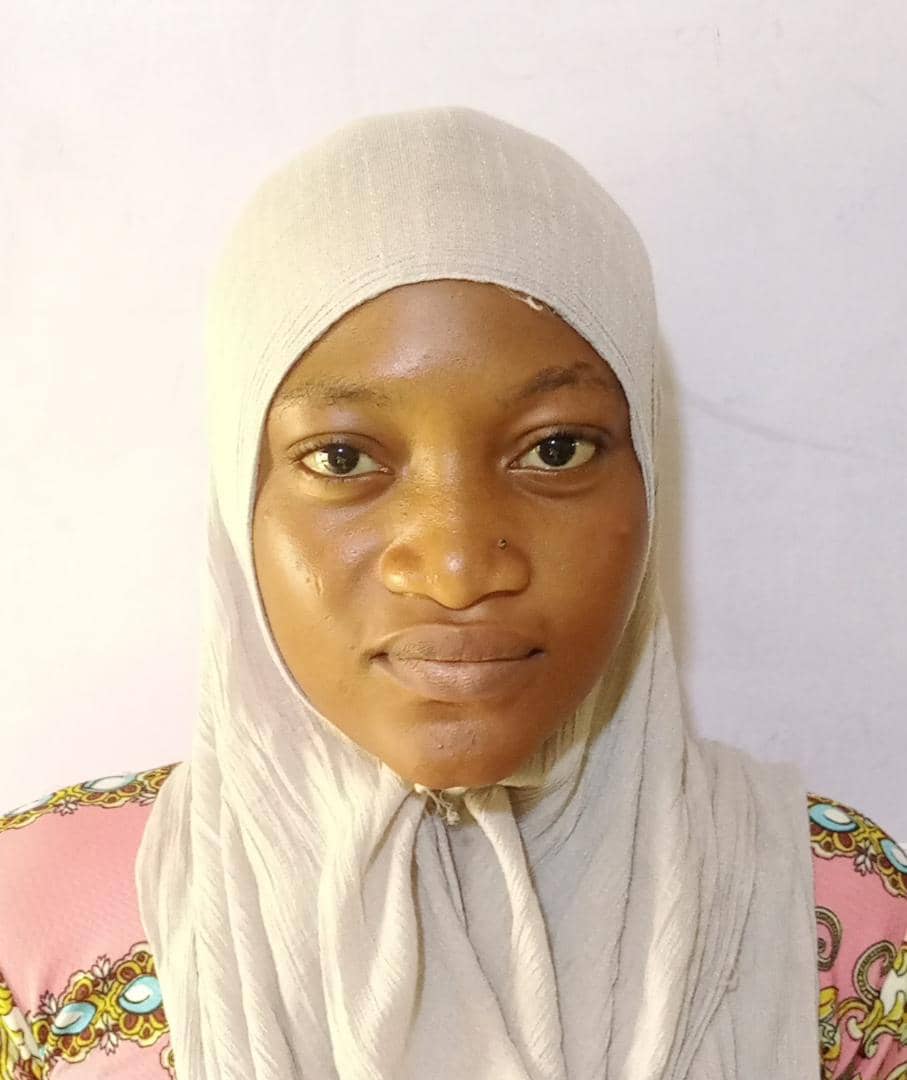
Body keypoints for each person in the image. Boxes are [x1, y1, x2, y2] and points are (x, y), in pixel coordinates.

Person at [1, 105, 905, 1079]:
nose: (459, 567)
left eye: (555, 450)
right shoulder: (37, 918)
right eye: (342, 458)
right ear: (238, 498)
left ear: (648, 473)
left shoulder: (835, 921)